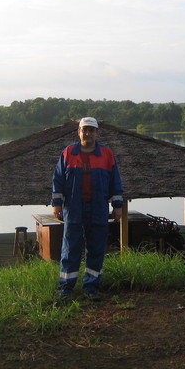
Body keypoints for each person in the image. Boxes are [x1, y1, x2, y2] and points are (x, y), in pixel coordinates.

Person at [51, 117, 124, 301]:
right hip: (73, 209)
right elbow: (58, 180)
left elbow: (116, 182)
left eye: (91, 130)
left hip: (98, 207)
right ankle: (65, 289)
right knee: (70, 248)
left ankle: (91, 288)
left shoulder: (107, 154)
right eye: (85, 129)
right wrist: (56, 204)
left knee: (96, 248)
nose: (88, 133)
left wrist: (117, 207)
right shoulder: (68, 153)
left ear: (97, 133)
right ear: (79, 132)